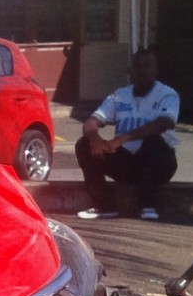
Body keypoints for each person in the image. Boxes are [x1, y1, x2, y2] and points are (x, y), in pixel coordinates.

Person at [76, 48, 180, 221]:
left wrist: (121, 139)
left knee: (152, 141)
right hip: (128, 164)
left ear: (156, 70)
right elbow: (91, 122)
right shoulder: (119, 96)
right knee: (83, 144)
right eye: (137, 66)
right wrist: (95, 139)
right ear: (129, 71)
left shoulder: (167, 94)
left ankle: (148, 205)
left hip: (159, 164)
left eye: (147, 66)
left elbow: (164, 123)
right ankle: (104, 206)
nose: (142, 71)